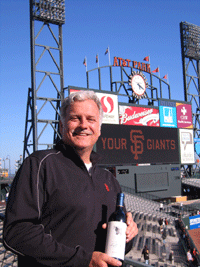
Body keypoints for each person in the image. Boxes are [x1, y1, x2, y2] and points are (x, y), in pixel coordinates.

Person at [3, 90, 138, 267]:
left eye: (91, 119)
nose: (84, 125)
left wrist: (128, 235)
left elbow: (118, 247)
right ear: (61, 126)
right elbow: (17, 232)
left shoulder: (108, 180)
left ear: (99, 129)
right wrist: (83, 260)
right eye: (75, 118)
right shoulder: (40, 165)